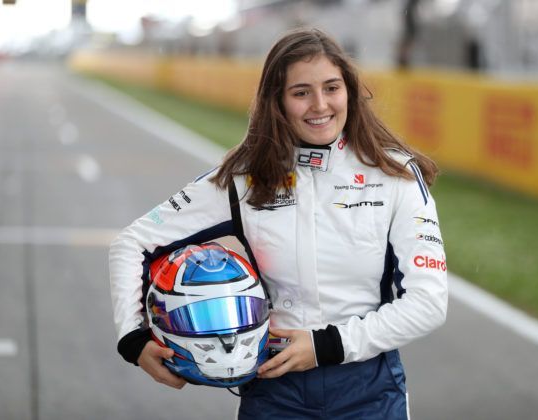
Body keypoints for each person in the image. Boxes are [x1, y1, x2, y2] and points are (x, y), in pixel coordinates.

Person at [109, 27, 448, 419]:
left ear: (349, 92)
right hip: (274, 392)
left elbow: (428, 303)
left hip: (370, 392)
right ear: (277, 102)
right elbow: (133, 241)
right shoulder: (244, 179)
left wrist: (325, 347)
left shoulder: (394, 175)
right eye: (301, 92)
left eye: (332, 88)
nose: (320, 105)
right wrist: (133, 339)